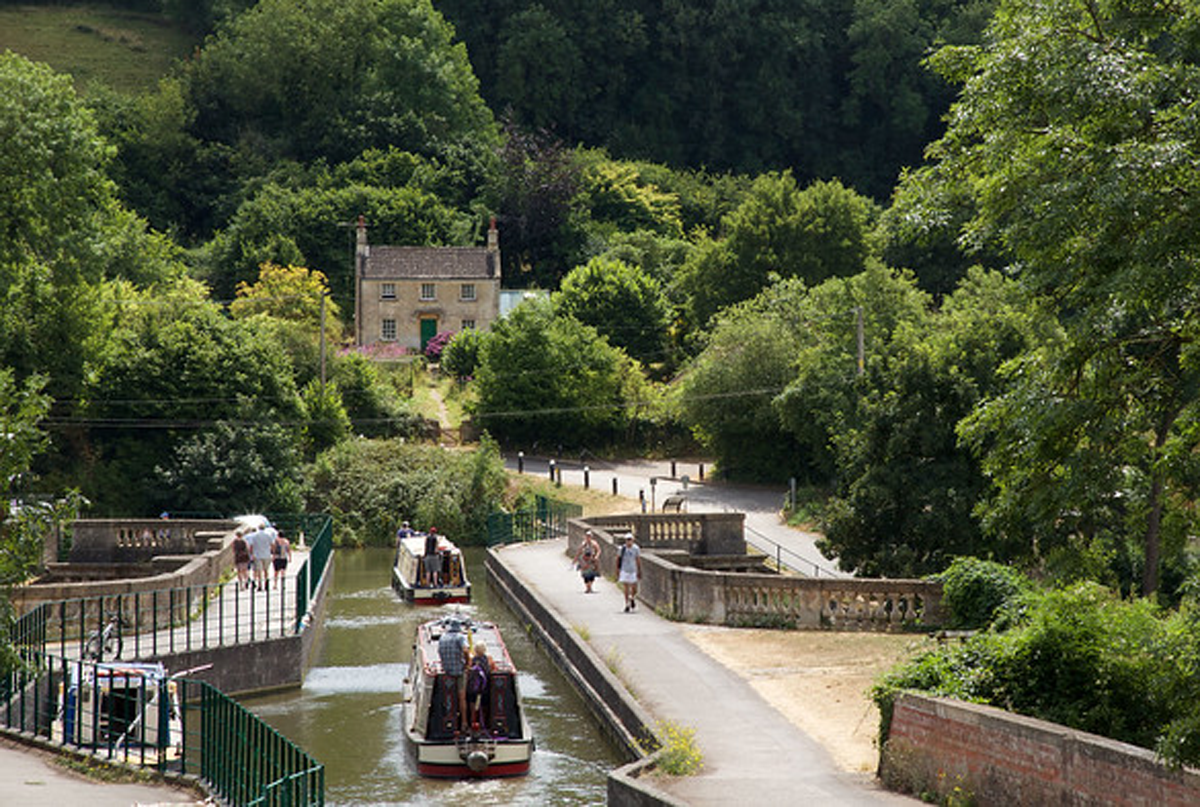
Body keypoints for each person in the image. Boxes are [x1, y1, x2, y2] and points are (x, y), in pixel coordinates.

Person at [437, 617, 470, 732]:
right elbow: (466, 650)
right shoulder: (460, 637)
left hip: (447, 671)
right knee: (462, 697)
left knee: (448, 696)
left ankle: (449, 722)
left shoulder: (442, 637)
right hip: (459, 671)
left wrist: (445, 664)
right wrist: (467, 663)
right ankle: (464, 723)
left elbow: (439, 652)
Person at [466, 642, 493, 730]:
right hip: (484, 688)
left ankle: (471, 723)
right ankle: (483, 723)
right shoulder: (488, 659)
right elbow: (491, 670)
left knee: (472, 705)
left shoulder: (472, 660)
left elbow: (468, 670)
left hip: (473, 689)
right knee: (484, 705)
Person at [617, 533, 642, 612]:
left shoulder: (636, 549)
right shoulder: (622, 549)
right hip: (624, 570)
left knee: (634, 588)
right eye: (627, 540)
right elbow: (618, 559)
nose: (629, 541)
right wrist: (617, 570)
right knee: (626, 587)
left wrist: (639, 570)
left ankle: (632, 598)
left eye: (630, 540)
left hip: (633, 570)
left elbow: (638, 559)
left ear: (633, 540)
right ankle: (627, 604)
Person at [248, 521, 274, 591]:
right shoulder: (268, 535)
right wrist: (272, 552)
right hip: (266, 554)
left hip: (257, 555)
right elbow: (272, 545)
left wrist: (251, 554)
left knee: (259, 571)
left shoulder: (255, 536)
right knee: (266, 570)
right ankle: (266, 582)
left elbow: (251, 546)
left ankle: (260, 585)